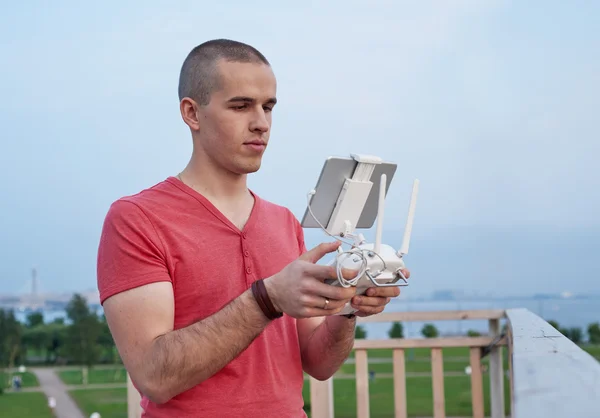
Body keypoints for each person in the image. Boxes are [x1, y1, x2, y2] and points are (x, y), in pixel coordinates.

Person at [97, 39, 410, 417]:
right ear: (192, 113)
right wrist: (267, 299)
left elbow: (318, 363)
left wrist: (347, 307)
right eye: (241, 105)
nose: (261, 122)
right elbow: (154, 375)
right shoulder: (136, 219)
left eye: (268, 106)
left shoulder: (284, 223)